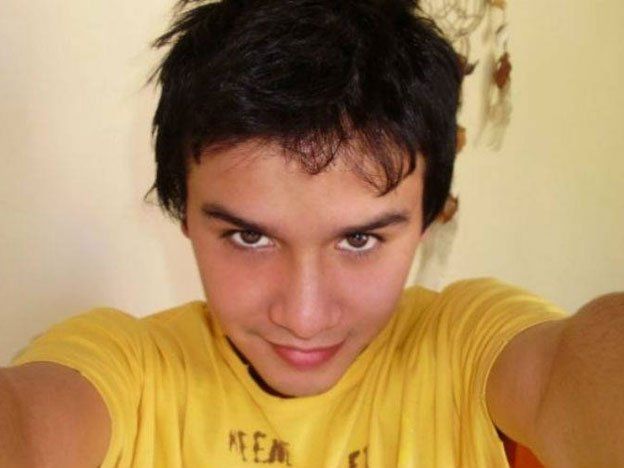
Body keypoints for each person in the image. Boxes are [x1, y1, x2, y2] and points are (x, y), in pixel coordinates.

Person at [1, 0, 623, 467]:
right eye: (249, 238)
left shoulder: (465, 347)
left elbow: (579, 372)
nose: (303, 317)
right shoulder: (127, 371)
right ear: (184, 213)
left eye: (359, 241)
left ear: (426, 219)